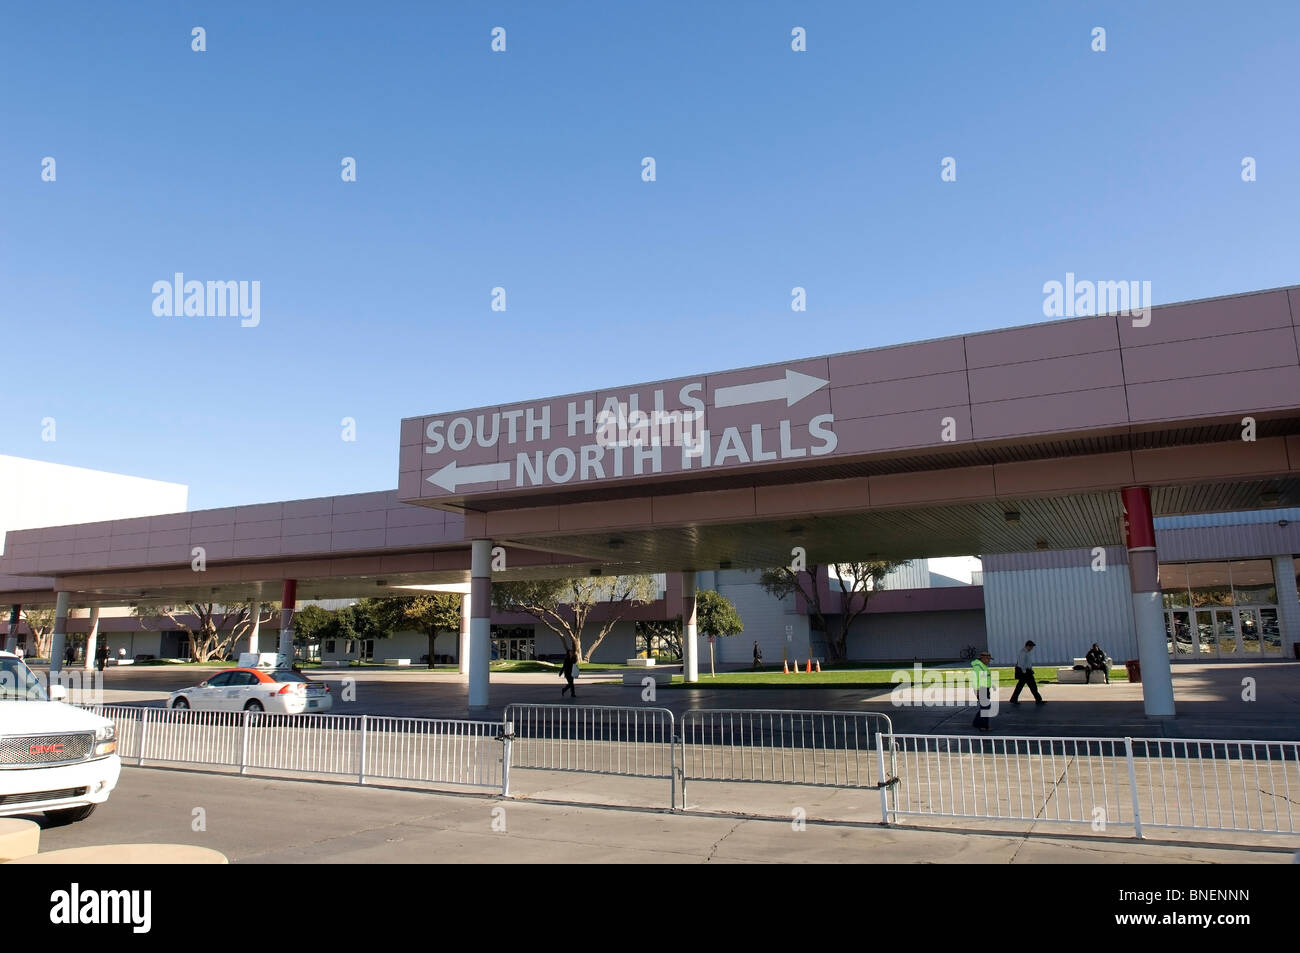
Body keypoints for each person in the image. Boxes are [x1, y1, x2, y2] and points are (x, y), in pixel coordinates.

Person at [1009, 640, 1045, 705]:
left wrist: (1031, 669)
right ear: (1028, 646)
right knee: (1032, 686)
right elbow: (1021, 663)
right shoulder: (1023, 652)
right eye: (1031, 647)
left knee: (1020, 686)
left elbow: (1027, 662)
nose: (1032, 649)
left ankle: (1013, 699)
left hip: (1026, 671)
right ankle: (1038, 700)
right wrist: (1025, 671)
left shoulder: (1027, 652)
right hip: (1025, 672)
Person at [970, 651, 994, 731]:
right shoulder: (978, 666)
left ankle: (979, 724)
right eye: (988, 659)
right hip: (981, 689)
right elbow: (975, 679)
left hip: (985, 688)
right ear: (983, 658)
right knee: (985, 707)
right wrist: (977, 690)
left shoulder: (982, 666)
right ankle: (981, 725)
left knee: (985, 707)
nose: (989, 661)